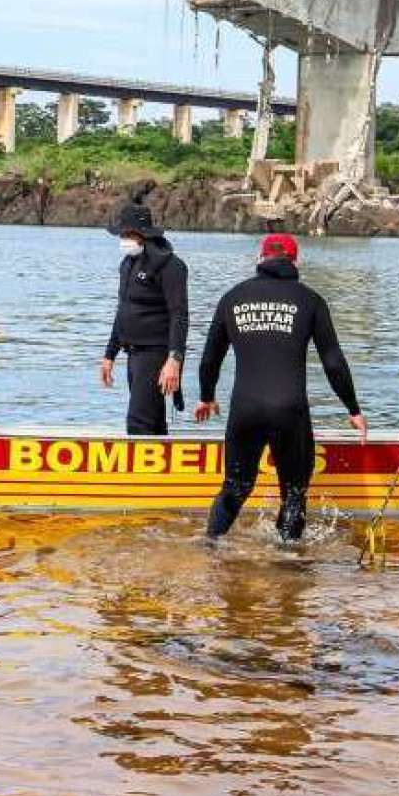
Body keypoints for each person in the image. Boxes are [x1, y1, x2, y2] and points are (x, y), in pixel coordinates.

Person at [195, 233, 366, 543]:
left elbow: (209, 358)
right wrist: (353, 409)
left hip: (244, 409)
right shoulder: (310, 300)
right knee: (294, 491)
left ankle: (210, 546)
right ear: (295, 261)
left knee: (235, 486)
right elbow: (334, 363)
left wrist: (206, 396)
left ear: (260, 259)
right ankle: (287, 561)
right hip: (290, 411)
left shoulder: (233, 297)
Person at [99, 183, 189, 435]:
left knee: (139, 422)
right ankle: (162, 470)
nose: (123, 240)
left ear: (143, 234)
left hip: (155, 354)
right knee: (152, 419)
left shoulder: (171, 266)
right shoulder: (128, 263)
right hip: (133, 352)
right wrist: (110, 354)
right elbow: (123, 311)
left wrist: (174, 359)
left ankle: (138, 472)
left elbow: (179, 315)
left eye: (127, 235)